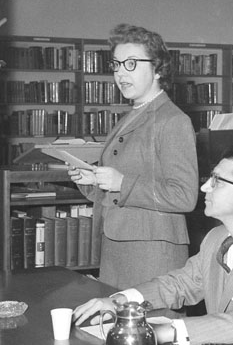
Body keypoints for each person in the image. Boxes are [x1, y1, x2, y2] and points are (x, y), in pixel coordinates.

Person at [73, 148, 233, 345]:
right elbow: (180, 284)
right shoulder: (216, 237)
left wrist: (168, 331)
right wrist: (120, 301)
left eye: (217, 181)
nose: (204, 187)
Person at [68, 23, 199, 288]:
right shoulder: (131, 116)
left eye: (131, 64)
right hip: (117, 248)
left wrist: (122, 183)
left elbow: (185, 196)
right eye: (116, 65)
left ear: (158, 68)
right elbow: (122, 188)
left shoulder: (173, 120)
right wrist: (92, 180)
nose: (120, 73)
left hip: (152, 253)